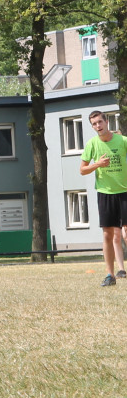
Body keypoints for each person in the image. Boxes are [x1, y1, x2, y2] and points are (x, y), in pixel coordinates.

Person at [80, 109, 127, 287]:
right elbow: (82, 170)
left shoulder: (122, 141)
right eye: (94, 124)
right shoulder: (92, 144)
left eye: (100, 122)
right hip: (105, 193)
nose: (98, 126)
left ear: (107, 122)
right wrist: (97, 164)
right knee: (107, 235)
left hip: (124, 192)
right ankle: (110, 275)